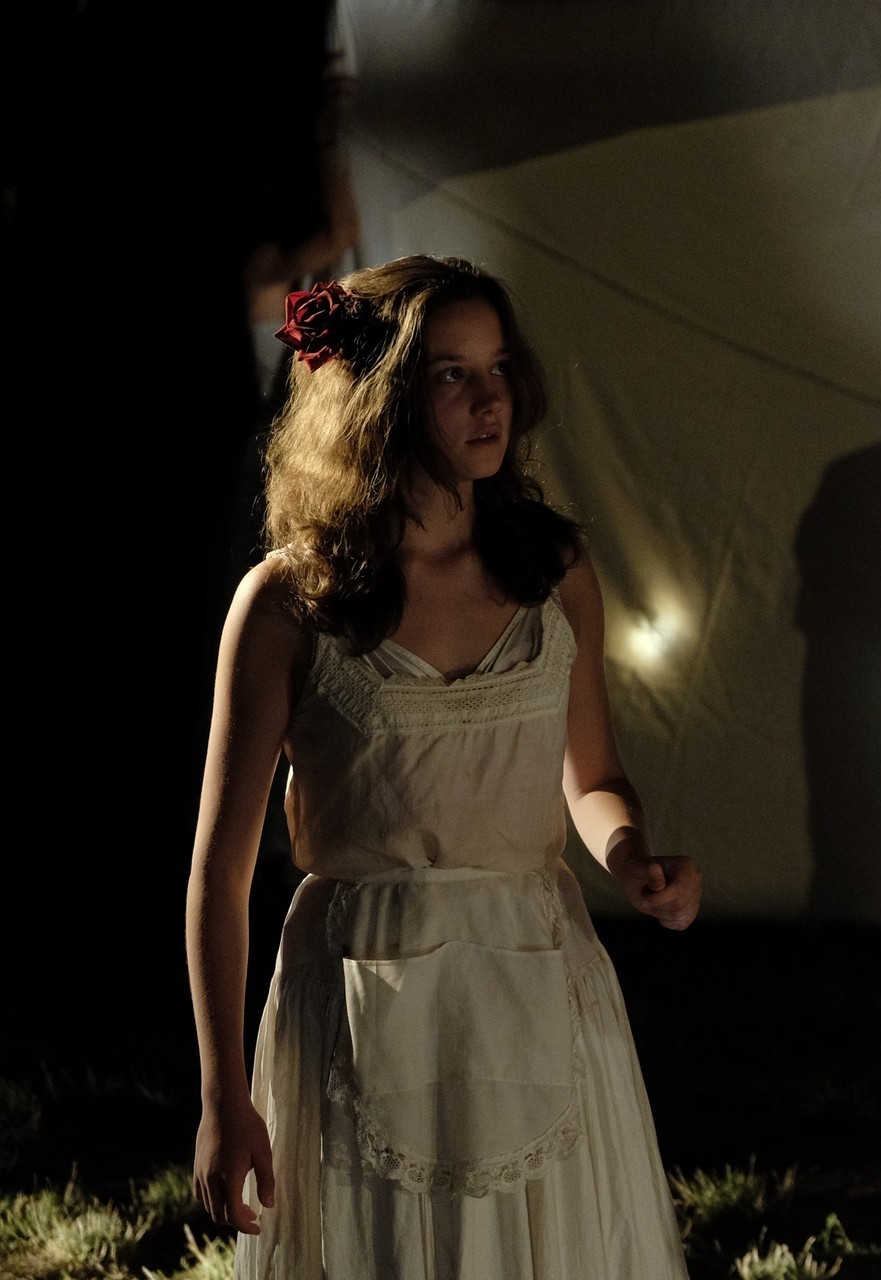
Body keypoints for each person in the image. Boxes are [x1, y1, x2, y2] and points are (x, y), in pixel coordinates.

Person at [186, 255, 700, 1278]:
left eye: (499, 368)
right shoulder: (291, 603)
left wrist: (632, 854)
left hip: (534, 971)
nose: (489, 399)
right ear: (378, 399)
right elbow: (220, 873)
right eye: (452, 374)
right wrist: (222, 1093)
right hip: (358, 991)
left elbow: (592, 777)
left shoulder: (553, 574)